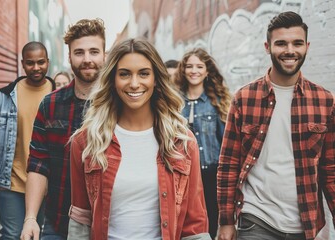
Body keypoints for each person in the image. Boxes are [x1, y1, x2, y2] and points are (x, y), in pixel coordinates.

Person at [67, 38, 211, 240]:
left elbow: (195, 222)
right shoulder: (86, 141)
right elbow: (81, 218)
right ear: (113, 79)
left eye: (143, 73)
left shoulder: (182, 142)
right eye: (124, 74)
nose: (134, 84)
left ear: (155, 79)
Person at [217, 11, 334, 240]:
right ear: (267, 47)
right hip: (256, 218)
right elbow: (229, 164)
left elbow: (331, 169)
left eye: (297, 43)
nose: (290, 50)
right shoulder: (244, 98)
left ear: (307, 46)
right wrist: (226, 221)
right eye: (281, 43)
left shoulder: (324, 101)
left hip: (306, 223)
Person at [20, 18, 106, 240]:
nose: (87, 59)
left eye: (94, 51)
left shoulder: (118, 105)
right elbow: (39, 164)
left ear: (105, 55)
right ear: (69, 57)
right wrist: (30, 218)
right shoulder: (51, 104)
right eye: (79, 52)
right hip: (58, 224)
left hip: (109, 226)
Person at [0, 41, 55, 239]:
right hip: (11, 182)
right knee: (12, 235)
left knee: (44, 235)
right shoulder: (3, 98)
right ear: (22, 63)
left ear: (48, 62)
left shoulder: (59, 96)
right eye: (30, 63)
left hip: (49, 184)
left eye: (40, 62)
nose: (36, 68)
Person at [177, 48, 231, 239]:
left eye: (199, 66)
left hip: (211, 174)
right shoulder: (174, 101)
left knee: (208, 224)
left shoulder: (217, 102)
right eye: (189, 66)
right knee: (184, 224)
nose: (194, 70)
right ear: (183, 70)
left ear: (207, 72)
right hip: (182, 174)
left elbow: (226, 142)